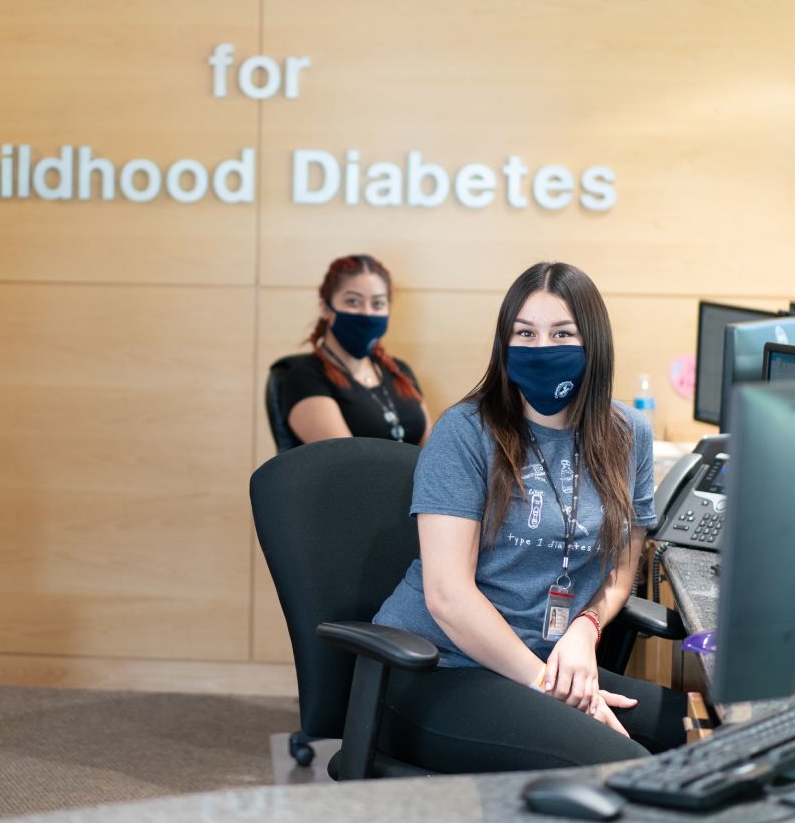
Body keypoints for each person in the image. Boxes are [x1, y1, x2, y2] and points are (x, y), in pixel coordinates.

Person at [372, 261, 686, 771]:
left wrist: (586, 626)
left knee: (699, 738)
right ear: (505, 343)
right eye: (525, 333)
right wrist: (550, 688)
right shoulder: (465, 432)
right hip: (437, 671)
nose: (542, 348)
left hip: (546, 666)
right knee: (620, 764)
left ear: (594, 343)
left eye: (562, 333)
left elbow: (624, 564)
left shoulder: (628, 433)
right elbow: (448, 597)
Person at [281, 254, 432, 446]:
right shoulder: (305, 376)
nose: (367, 313)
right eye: (353, 301)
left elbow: (433, 454)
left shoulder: (399, 370)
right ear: (325, 308)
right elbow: (348, 464)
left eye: (378, 304)